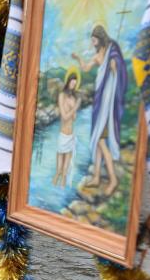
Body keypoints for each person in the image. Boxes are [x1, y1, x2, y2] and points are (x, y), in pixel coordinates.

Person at [72, 25, 126, 197]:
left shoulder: (113, 51)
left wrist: (115, 66)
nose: (92, 42)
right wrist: (79, 58)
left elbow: (120, 69)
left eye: (94, 39)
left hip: (107, 104)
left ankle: (113, 179)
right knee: (97, 140)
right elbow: (85, 69)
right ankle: (96, 176)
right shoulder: (97, 57)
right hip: (98, 102)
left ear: (100, 38)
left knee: (101, 142)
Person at [53, 69, 80, 188]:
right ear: (68, 82)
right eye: (72, 83)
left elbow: (74, 118)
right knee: (58, 171)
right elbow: (64, 116)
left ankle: (61, 195)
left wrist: (74, 108)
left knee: (65, 173)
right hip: (63, 136)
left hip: (71, 136)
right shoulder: (62, 96)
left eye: (75, 84)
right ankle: (52, 193)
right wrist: (74, 108)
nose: (73, 86)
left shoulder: (73, 98)